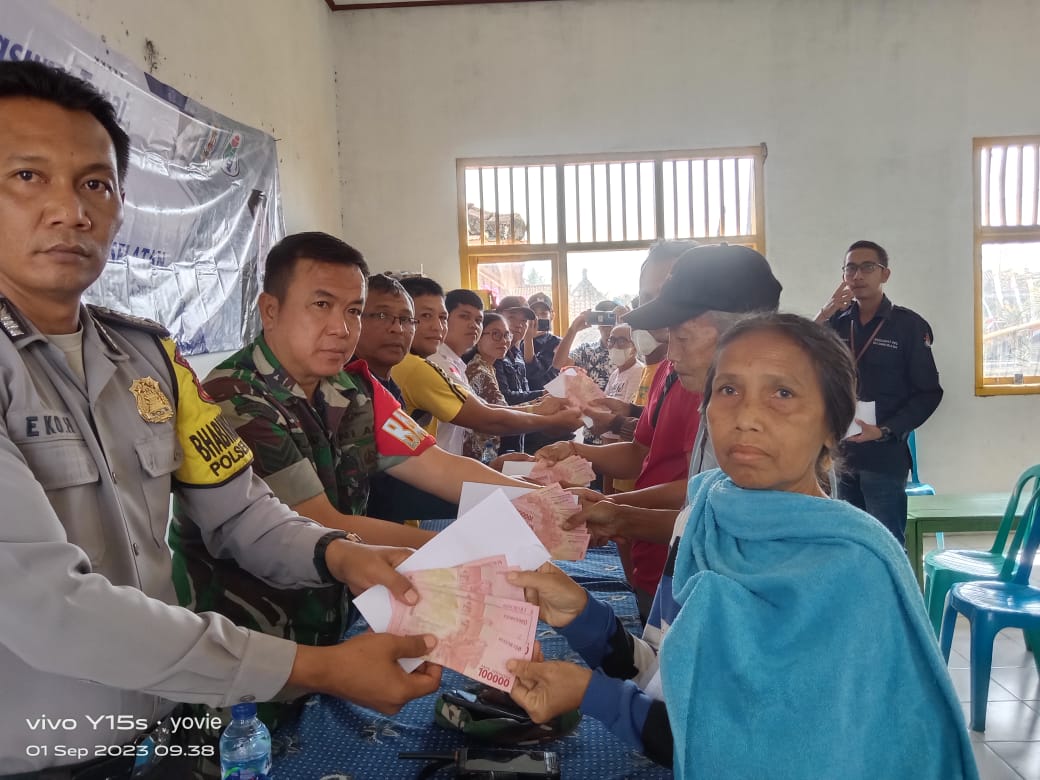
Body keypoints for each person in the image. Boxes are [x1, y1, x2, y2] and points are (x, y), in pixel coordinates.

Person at [0, 61, 440, 774]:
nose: (71, 211)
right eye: (27, 177)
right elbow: (46, 609)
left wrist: (338, 554)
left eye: (94, 184)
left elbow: (240, 513)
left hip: (172, 723)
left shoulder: (151, 362)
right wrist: (317, 668)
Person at [507, 313, 977, 779]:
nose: (747, 418)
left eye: (783, 393)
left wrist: (593, 695)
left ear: (835, 426)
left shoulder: (851, 570)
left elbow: (750, 756)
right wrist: (579, 615)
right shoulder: (703, 516)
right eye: (728, 390)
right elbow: (665, 683)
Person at [539, 245, 782, 604]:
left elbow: (732, 527)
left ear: (742, 335)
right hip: (679, 573)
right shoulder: (710, 393)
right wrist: (614, 507)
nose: (671, 351)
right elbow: (701, 494)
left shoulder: (768, 425)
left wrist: (622, 516)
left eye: (683, 336)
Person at [815, 240, 943, 545]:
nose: (857, 275)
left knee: (886, 543)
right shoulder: (835, 323)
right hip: (841, 455)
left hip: (884, 456)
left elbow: (928, 393)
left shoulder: (908, 326)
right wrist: (827, 309)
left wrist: (886, 430)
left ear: (885, 274)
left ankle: (892, 594)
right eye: (850, 268)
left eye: (867, 267)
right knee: (848, 542)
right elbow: (800, 352)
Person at [386, 279, 582, 456]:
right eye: (426, 316)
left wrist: (539, 407)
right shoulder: (425, 366)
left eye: (442, 318)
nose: (437, 326)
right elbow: (486, 418)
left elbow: (485, 408)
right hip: (432, 474)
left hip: (440, 467)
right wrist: (550, 417)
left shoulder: (454, 363)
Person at [427, 287, 484, 455]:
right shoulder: (435, 361)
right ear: (444, 319)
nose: (474, 325)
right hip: (430, 472)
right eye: (464, 316)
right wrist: (540, 412)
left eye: (479, 320)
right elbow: (482, 415)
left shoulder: (457, 363)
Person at [353, 272, 416, 404]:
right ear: (354, 319)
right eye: (382, 316)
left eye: (405, 319)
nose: (398, 329)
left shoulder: (390, 388)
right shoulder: (345, 392)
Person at [462, 311, 512, 461]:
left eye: (507, 335)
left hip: (484, 453)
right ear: (477, 337)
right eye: (496, 334)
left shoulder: (487, 366)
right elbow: (504, 413)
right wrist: (542, 407)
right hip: (474, 457)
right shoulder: (479, 371)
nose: (504, 341)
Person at [552, 299, 619, 390]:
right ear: (598, 323)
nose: (609, 327)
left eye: (611, 319)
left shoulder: (631, 349)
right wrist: (572, 330)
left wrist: (630, 325)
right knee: (560, 385)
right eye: (604, 320)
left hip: (623, 402)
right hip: (592, 403)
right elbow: (558, 364)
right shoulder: (586, 350)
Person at [524, 291, 562, 391]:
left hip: (548, 398)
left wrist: (528, 340)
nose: (538, 318)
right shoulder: (518, 341)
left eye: (544, 314)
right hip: (521, 400)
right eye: (534, 314)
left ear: (552, 315)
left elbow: (539, 375)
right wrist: (527, 338)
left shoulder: (558, 343)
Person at [602, 322, 643, 410]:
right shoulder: (614, 374)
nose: (615, 346)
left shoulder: (638, 372)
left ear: (635, 347)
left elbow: (627, 411)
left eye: (622, 341)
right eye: (612, 340)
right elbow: (603, 405)